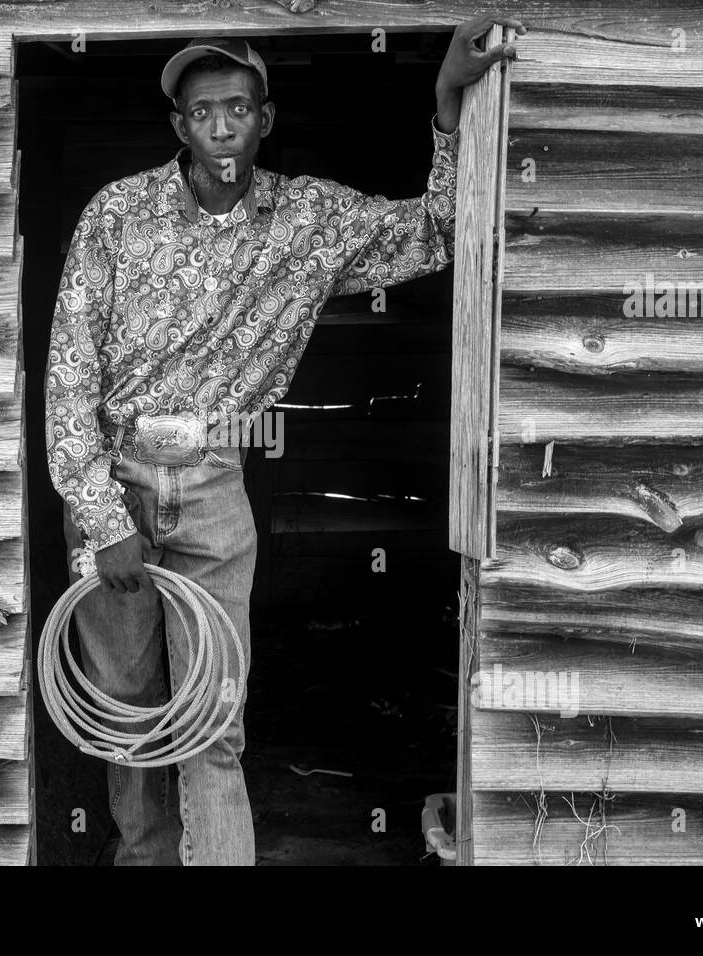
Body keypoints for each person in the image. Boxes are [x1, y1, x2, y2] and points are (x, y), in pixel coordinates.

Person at [45, 18, 525, 866]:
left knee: (214, 710)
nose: (221, 124)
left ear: (265, 119)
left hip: (214, 482)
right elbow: (69, 379)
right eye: (201, 112)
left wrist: (447, 98)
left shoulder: (307, 219)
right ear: (180, 128)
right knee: (127, 712)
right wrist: (100, 515)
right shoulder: (116, 216)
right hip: (113, 479)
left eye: (238, 107)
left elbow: (441, 227)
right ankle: (146, 860)